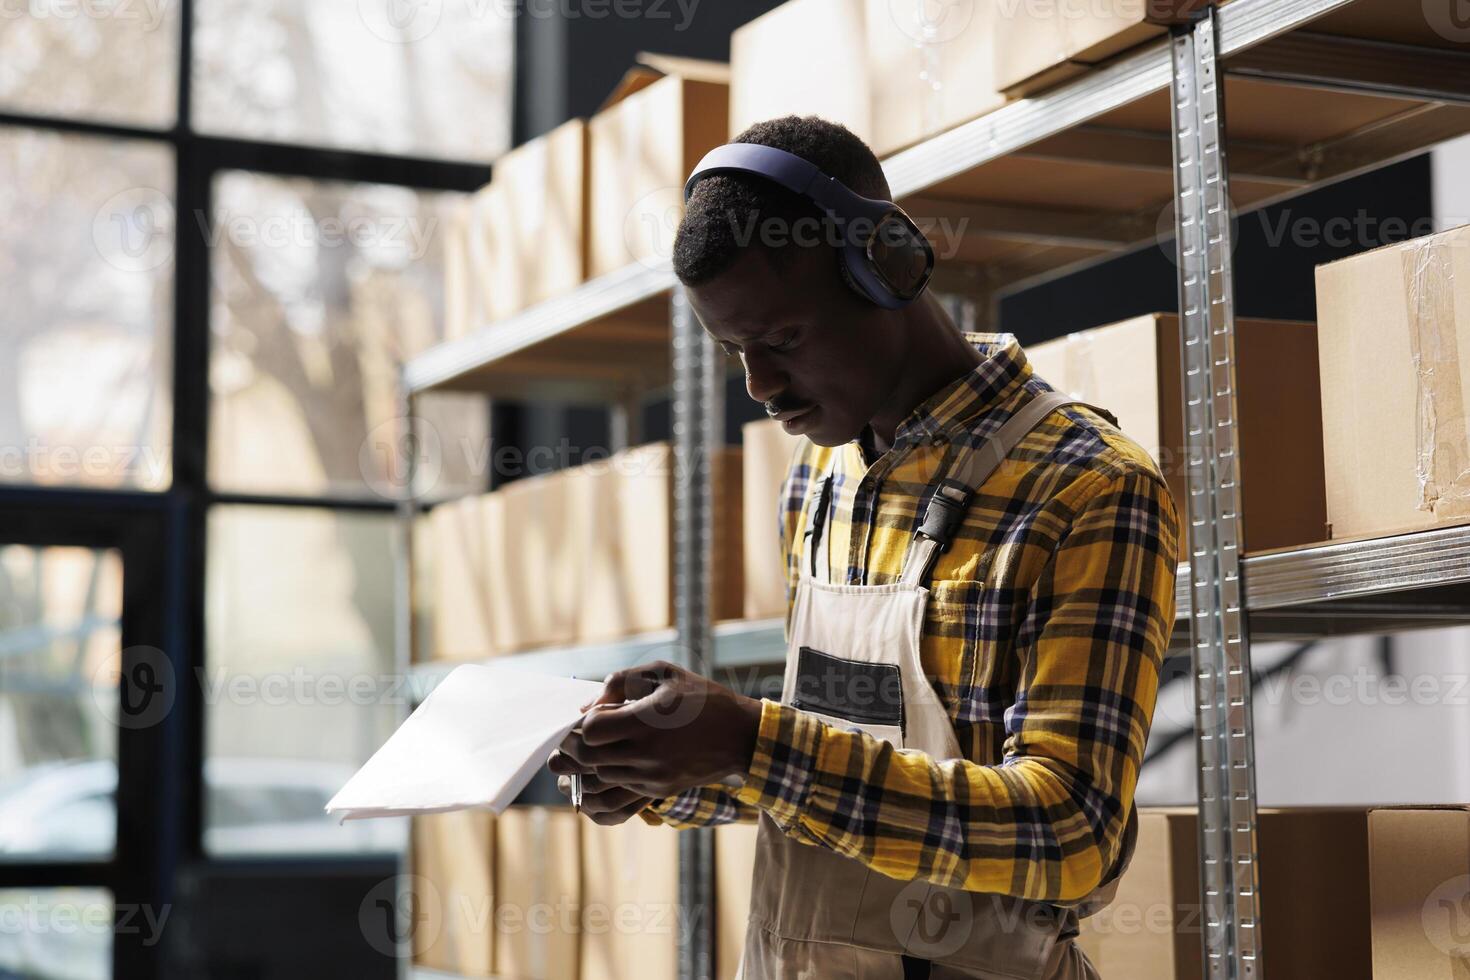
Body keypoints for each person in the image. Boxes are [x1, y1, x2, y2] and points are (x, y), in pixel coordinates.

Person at [548, 115, 1180, 979]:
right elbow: (847, 773)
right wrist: (674, 770)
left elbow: (1070, 832)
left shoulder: (1087, 488)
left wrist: (751, 744)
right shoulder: (817, 485)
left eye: (782, 340)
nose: (760, 387)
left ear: (886, 267)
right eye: (734, 351)